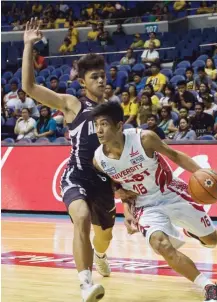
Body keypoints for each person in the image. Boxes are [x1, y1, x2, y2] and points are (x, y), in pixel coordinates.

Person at [22, 18, 135, 302]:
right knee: (80, 217)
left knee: (104, 237)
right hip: (76, 176)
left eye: (103, 76)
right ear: (82, 81)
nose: (101, 80)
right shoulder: (72, 104)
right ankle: (85, 283)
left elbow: (118, 154)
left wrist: (125, 191)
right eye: (94, 76)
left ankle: (100, 254)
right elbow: (29, 87)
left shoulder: (113, 112)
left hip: (103, 184)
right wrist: (28, 46)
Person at [92, 101, 217, 302]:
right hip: (145, 205)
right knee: (162, 245)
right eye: (96, 125)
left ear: (119, 125)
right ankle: (209, 287)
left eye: (104, 124)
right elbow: (117, 186)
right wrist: (126, 210)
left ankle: (191, 230)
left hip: (171, 192)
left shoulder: (144, 139)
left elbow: (174, 155)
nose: (99, 130)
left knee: (212, 241)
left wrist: (201, 173)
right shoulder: (99, 160)